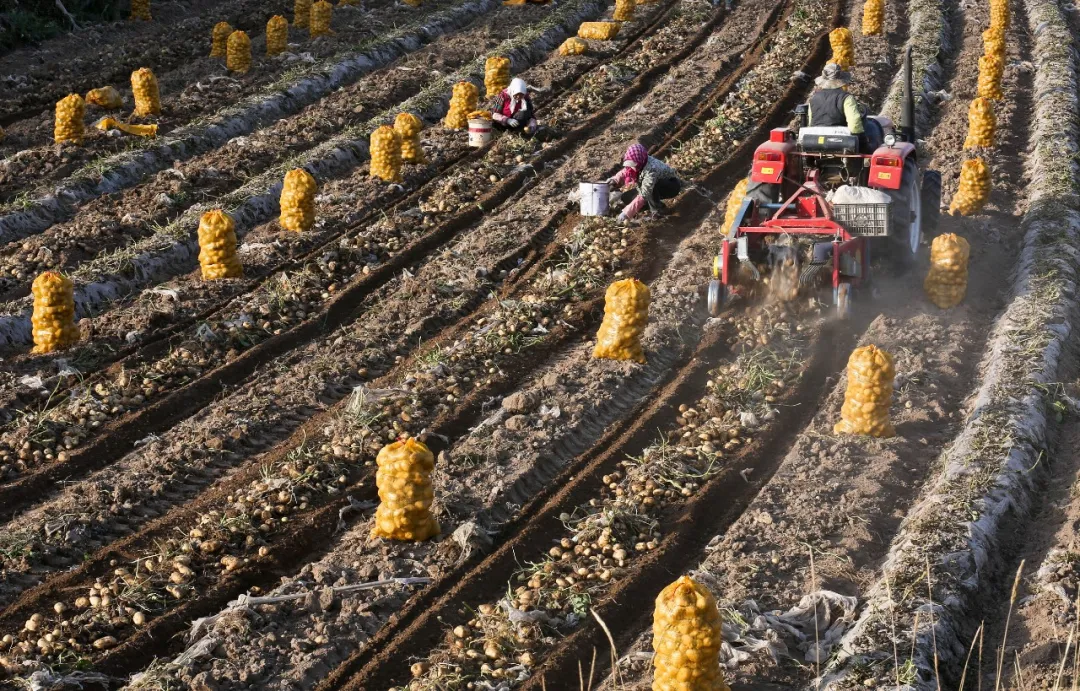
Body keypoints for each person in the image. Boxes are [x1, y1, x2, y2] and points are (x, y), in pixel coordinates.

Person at [807, 62, 881, 151]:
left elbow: (811, 122)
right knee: (872, 128)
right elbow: (854, 123)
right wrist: (862, 142)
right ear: (841, 79)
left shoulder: (813, 98)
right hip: (841, 142)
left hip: (816, 142)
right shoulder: (846, 98)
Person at [606, 143, 681, 222]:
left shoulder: (651, 170)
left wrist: (626, 213)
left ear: (639, 161)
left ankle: (657, 213)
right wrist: (614, 179)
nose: (632, 167)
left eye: (633, 165)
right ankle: (660, 205)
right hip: (652, 187)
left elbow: (644, 194)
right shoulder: (639, 162)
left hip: (671, 186)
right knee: (626, 198)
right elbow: (626, 171)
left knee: (650, 190)